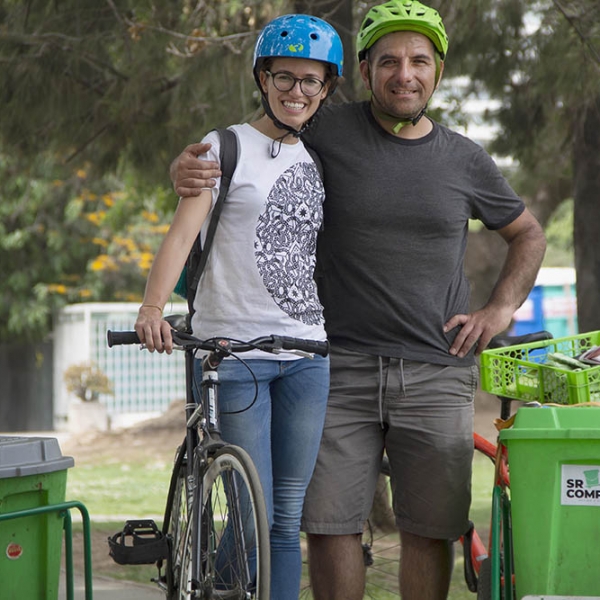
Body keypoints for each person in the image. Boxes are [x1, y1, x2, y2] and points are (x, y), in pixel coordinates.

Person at [168, 2, 547, 599]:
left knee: (431, 529)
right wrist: (186, 167)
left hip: (436, 368)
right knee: (328, 525)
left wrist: (499, 311)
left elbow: (527, 233)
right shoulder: (326, 129)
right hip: (334, 366)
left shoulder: (465, 158)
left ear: (438, 72)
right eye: (389, 60)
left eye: (420, 60)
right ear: (365, 71)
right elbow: (248, 146)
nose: (405, 74)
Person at [134, 14, 344, 600]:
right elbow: (180, 237)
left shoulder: (318, 160)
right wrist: (153, 307)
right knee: (249, 514)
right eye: (285, 77)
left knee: (284, 517)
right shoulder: (223, 147)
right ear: (262, 77)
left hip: (306, 352)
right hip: (233, 351)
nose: (297, 91)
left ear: (326, 89)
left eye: (311, 81)